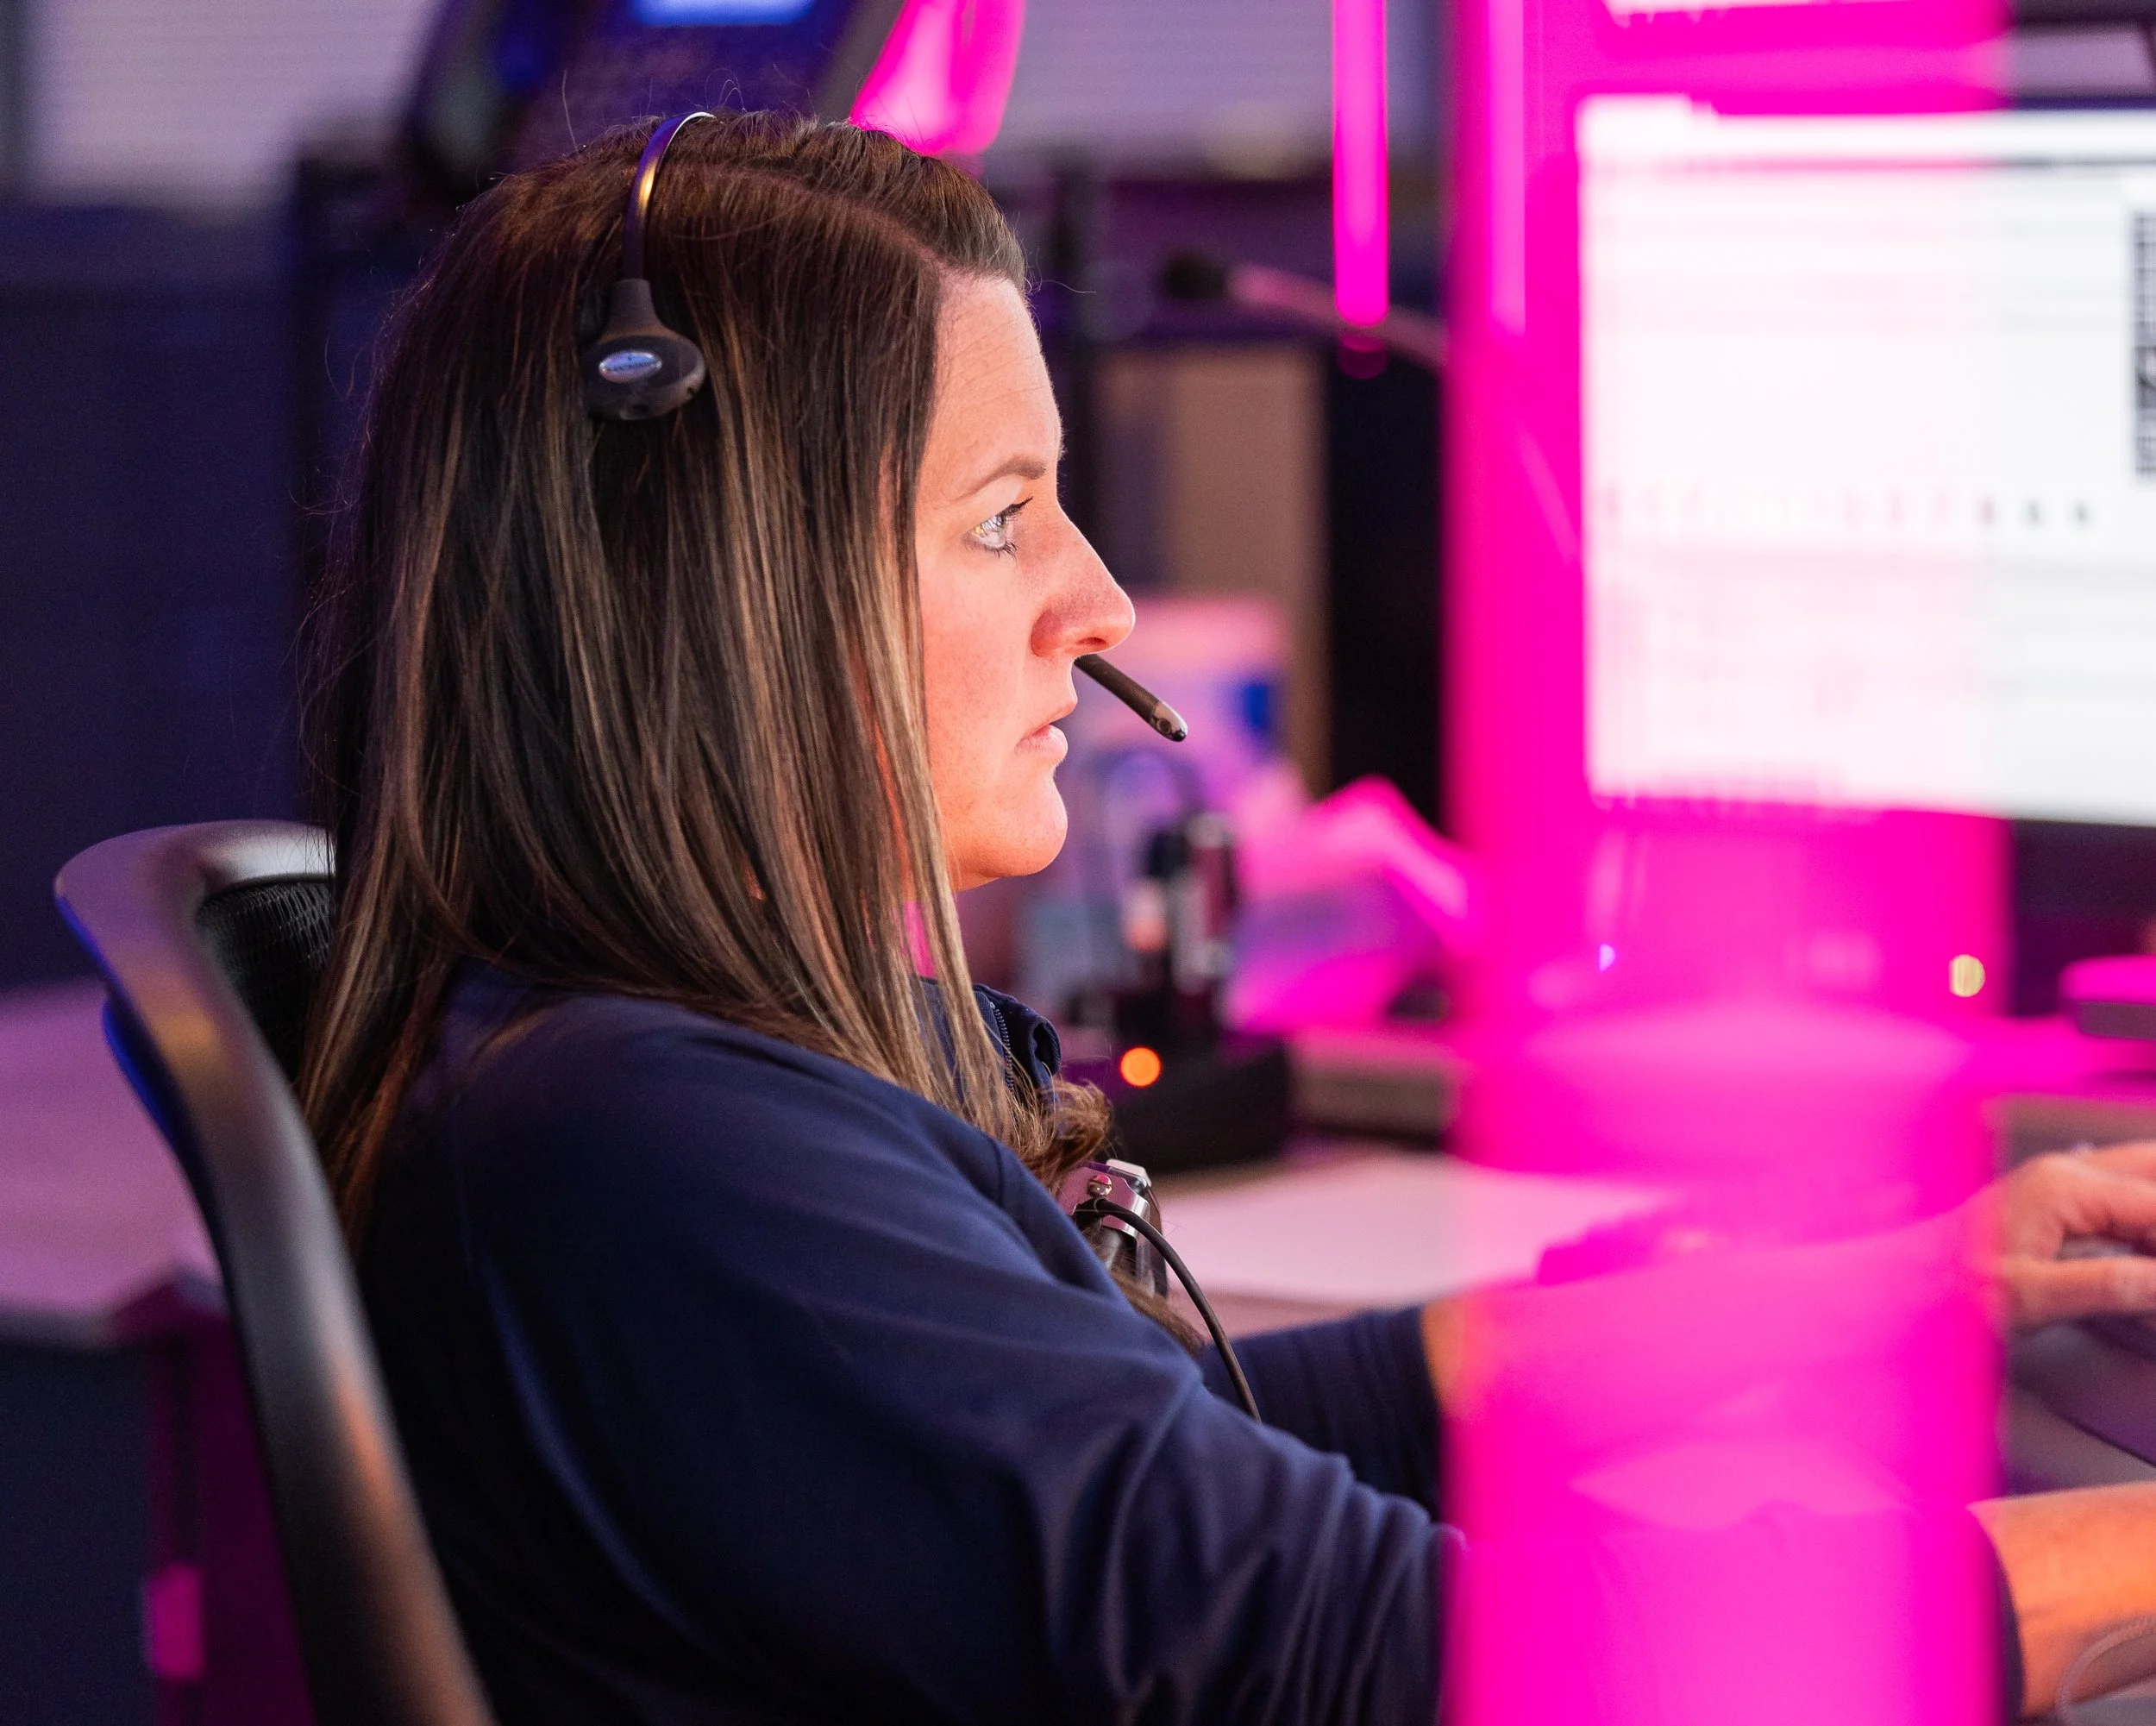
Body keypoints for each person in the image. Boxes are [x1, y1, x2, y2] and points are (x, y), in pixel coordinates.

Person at [300, 110, 2156, 1723]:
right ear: (725, 586)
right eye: (1002, 518)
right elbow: (1385, 1657)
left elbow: (1209, 1437)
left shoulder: (631, 1087)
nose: (1097, 601)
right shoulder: (662, 1159)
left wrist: (1895, 1287)